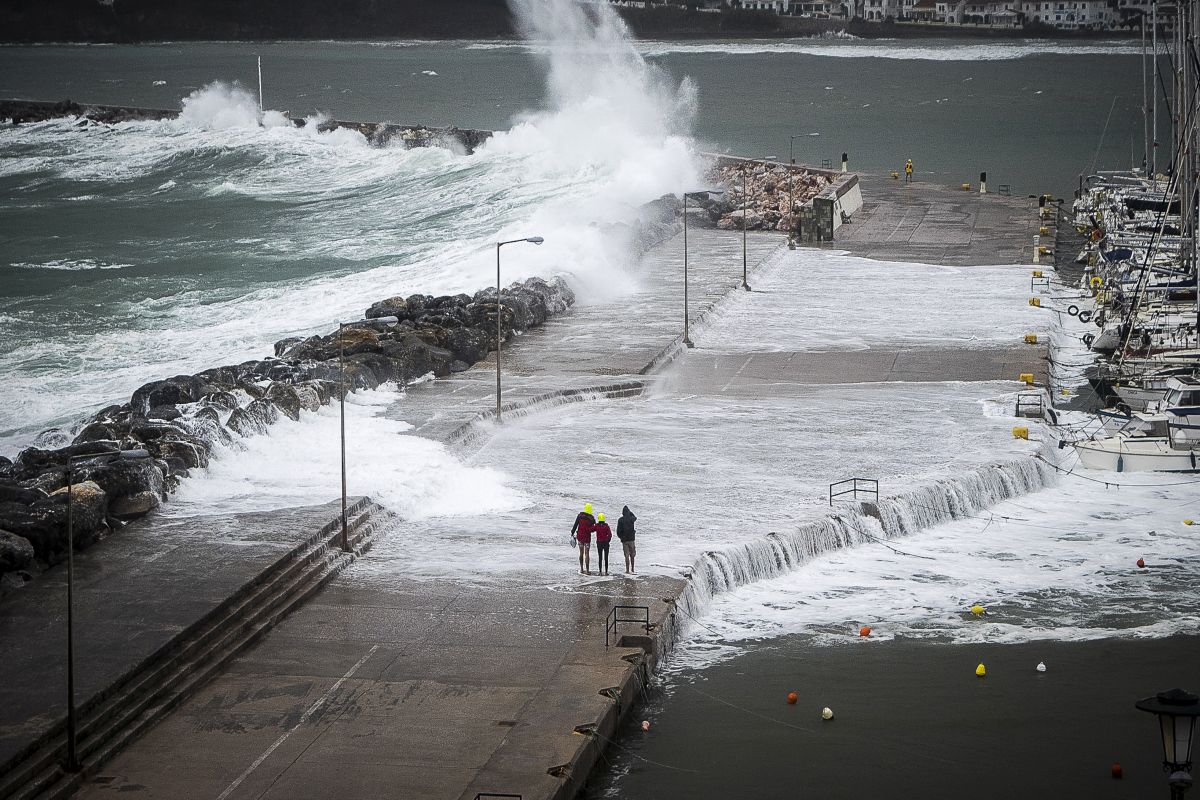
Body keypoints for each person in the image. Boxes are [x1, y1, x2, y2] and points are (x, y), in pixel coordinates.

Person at [571, 502, 595, 575]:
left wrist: (572, 532)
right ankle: (587, 570)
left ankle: (581, 569)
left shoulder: (579, 516)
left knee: (581, 553)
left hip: (580, 537)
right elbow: (593, 528)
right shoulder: (591, 518)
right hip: (587, 537)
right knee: (587, 553)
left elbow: (575, 525)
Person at [617, 505, 637, 574]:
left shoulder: (620, 520)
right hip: (631, 539)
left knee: (626, 555)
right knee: (632, 555)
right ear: (628, 512)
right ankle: (633, 569)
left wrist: (621, 537)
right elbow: (635, 517)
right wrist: (630, 512)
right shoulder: (631, 519)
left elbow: (618, 531)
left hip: (624, 540)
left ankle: (627, 570)